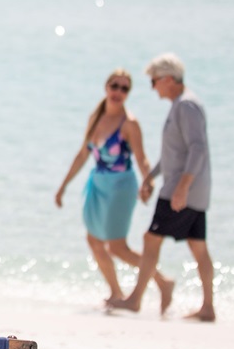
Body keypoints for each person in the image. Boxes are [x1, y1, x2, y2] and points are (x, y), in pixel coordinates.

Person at [56, 69, 174, 311]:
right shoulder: (96, 117)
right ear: (106, 87)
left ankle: (163, 282)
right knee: (94, 240)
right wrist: (63, 186)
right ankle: (116, 292)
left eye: (124, 88)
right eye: (115, 86)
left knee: (117, 247)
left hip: (121, 188)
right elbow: (82, 155)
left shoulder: (129, 124)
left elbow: (141, 158)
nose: (118, 92)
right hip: (97, 186)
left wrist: (148, 181)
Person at [110, 53, 215, 321]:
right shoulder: (181, 104)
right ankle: (208, 308)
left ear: (168, 79)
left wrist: (182, 187)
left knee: (151, 239)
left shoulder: (186, 106)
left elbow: (198, 149)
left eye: (154, 81)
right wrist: (150, 177)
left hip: (181, 190)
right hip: (190, 189)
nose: (153, 87)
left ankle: (135, 299)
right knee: (198, 246)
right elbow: (173, 154)